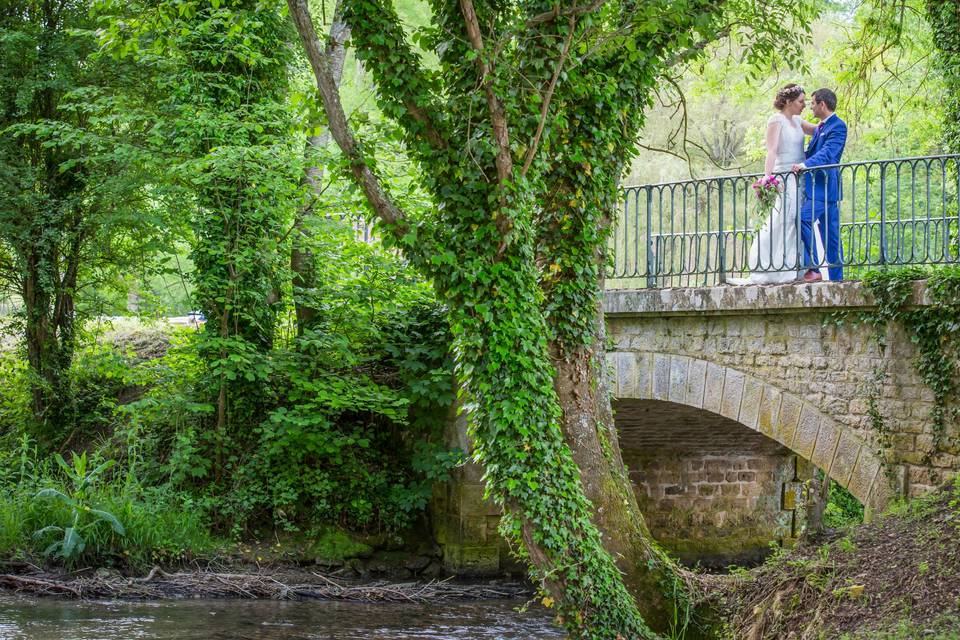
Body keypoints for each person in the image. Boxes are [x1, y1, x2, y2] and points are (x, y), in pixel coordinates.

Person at [729, 83, 820, 285]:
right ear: (788, 101)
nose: (804, 105)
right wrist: (767, 179)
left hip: (800, 177)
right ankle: (775, 267)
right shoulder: (776, 120)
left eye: (806, 101)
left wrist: (831, 119)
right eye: (800, 101)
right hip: (783, 177)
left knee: (799, 220)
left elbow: (817, 130)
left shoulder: (797, 120)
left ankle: (799, 266)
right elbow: (771, 151)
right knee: (784, 219)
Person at [792, 88, 847, 282]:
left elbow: (828, 154)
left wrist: (804, 165)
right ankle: (835, 279)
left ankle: (815, 269)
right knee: (830, 236)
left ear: (822, 104)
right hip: (817, 188)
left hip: (825, 187)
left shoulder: (838, 126)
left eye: (813, 103)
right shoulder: (821, 127)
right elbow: (813, 152)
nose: (811, 106)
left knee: (804, 219)